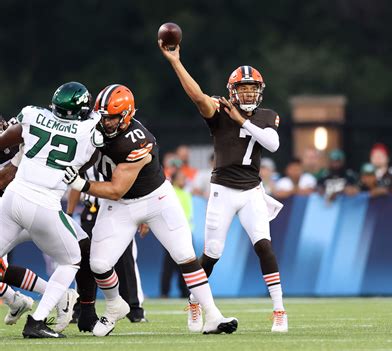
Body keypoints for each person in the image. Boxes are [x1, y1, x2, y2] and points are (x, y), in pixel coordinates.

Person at [63, 84, 237, 336]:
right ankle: (114, 306)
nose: (106, 122)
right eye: (102, 116)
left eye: (112, 117)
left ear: (126, 115)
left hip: (155, 200)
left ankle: (212, 315)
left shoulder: (138, 141)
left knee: (185, 256)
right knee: (99, 264)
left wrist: (80, 183)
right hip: (119, 207)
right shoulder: (95, 123)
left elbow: (116, 189)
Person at [160, 41, 288, 332]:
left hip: (253, 190)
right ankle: (195, 300)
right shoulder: (219, 111)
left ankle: (279, 309)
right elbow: (196, 97)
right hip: (223, 190)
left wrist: (242, 120)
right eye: (243, 89)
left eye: (252, 88)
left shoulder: (265, 115)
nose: (248, 93)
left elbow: (273, 143)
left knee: (264, 246)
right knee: (213, 253)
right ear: (233, 91)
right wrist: (176, 62)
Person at [0, 82, 100, 338]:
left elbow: (10, 136)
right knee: (72, 259)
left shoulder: (34, 114)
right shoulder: (89, 129)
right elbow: (90, 158)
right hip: (43, 205)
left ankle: (34, 306)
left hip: (13, 197)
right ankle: (37, 321)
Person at [67, 168, 148, 326]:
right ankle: (81, 308)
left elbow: (135, 182)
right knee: (85, 260)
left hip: (119, 210)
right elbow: (76, 183)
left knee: (126, 259)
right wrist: (69, 215)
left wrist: (142, 214)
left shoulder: (118, 150)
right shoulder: (86, 153)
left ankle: (134, 308)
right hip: (91, 211)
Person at [160, 169, 191, 298]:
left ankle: (184, 291)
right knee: (169, 266)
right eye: (181, 177)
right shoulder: (170, 193)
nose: (184, 179)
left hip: (185, 233)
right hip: (172, 233)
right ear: (175, 179)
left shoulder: (185, 193)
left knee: (184, 265)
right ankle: (165, 292)